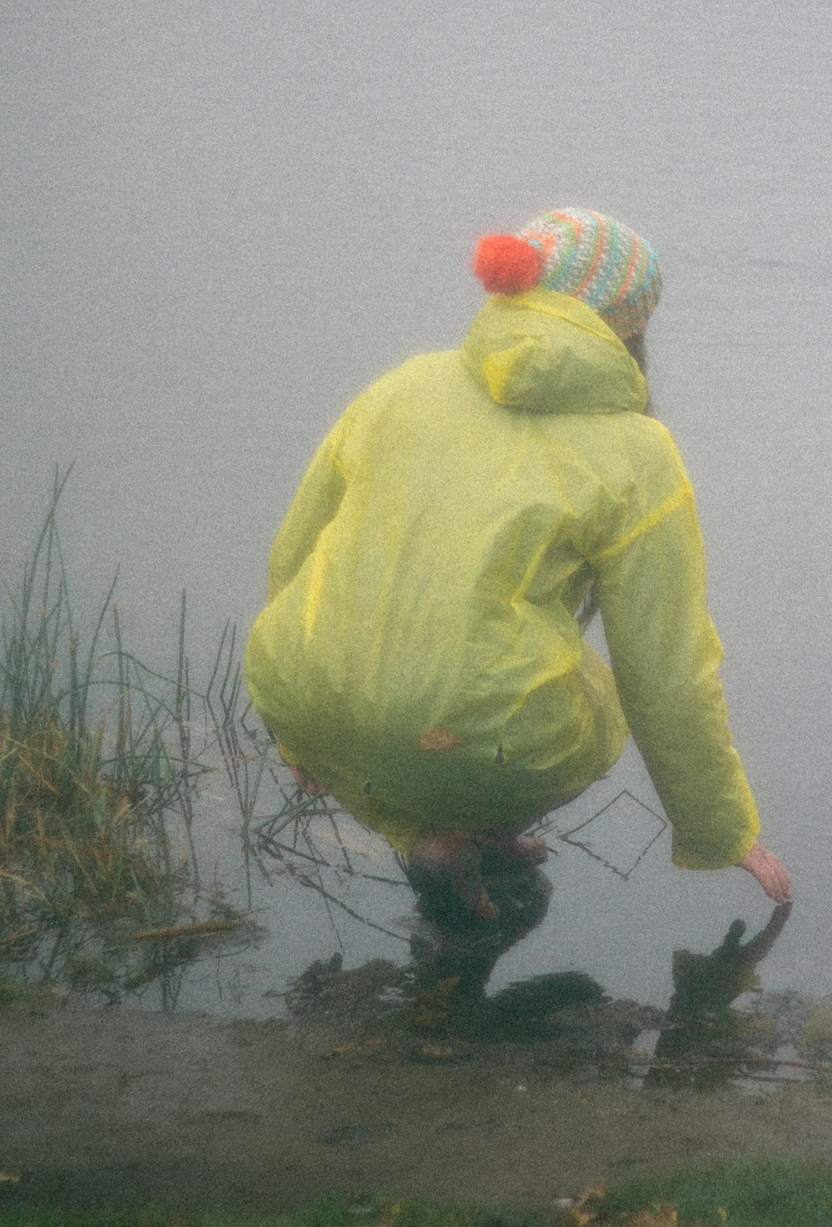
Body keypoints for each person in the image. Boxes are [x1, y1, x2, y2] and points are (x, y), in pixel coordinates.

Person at [245, 206, 792, 931]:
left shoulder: (403, 384)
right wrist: (721, 830)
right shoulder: (638, 453)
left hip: (303, 689)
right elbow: (665, 673)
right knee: (594, 709)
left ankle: (439, 827)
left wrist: (294, 728)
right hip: (464, 734)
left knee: (437, 670)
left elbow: (294, 552)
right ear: (629, 328)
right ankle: (457, 827)